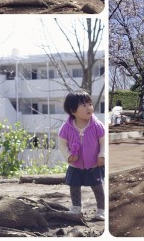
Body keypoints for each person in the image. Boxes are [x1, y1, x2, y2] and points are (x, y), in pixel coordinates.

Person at [58, 90, 105, 221]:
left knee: (97, 187)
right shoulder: (66, 128)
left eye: (90, 104)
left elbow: (103, 141)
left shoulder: (97, 125)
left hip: (94, 163)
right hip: (75, 164)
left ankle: (101, 210)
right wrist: (68, 156)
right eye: (84, 105)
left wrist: (102, 155)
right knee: (74, 186)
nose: (89, 107)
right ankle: (76, 208)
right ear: (73, 111)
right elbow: (62, 144)